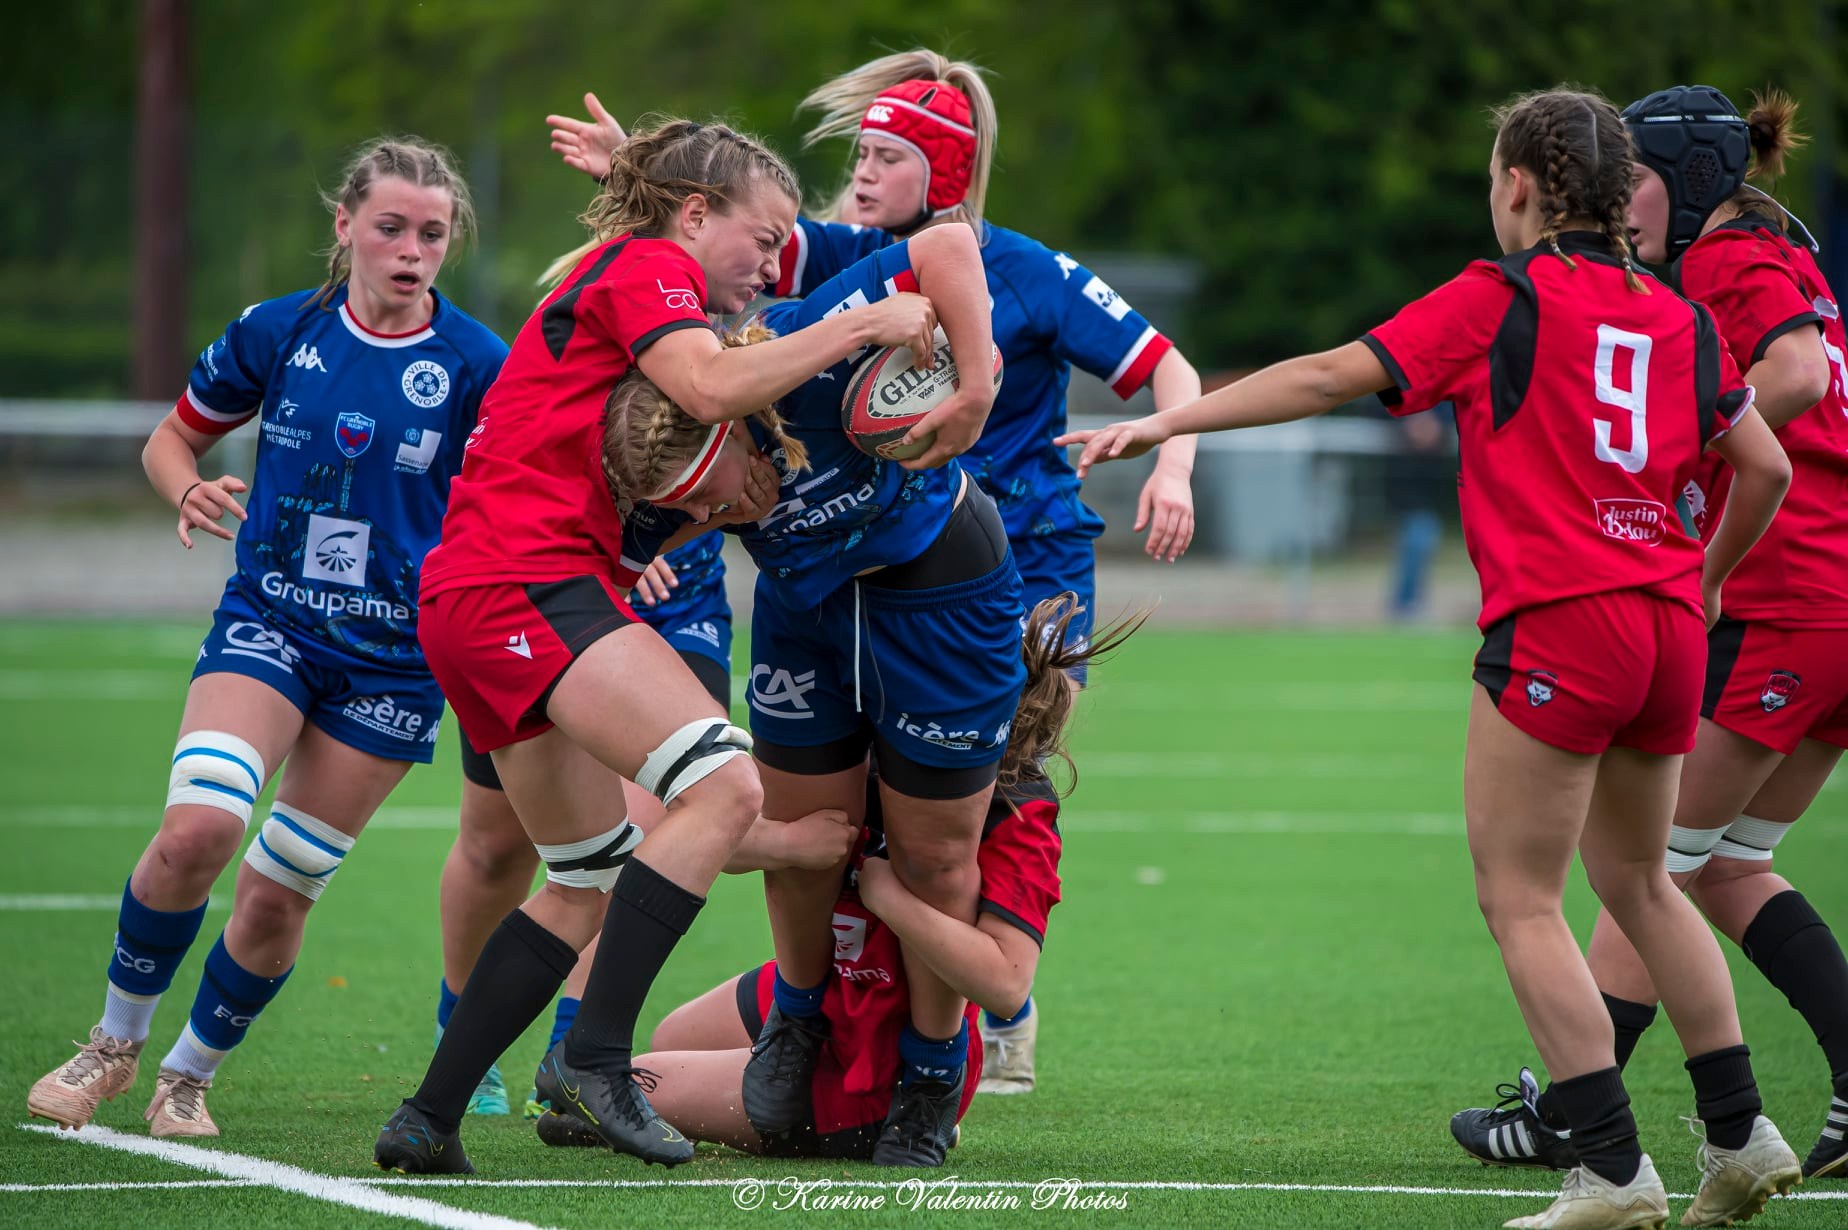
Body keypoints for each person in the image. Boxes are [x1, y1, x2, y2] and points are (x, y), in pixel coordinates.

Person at [1060, 87, 1801, 1230]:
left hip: (1565, 622)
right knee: (1647, 885)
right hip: (1663, 629)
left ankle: (1610, 1169)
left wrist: (1168, 422)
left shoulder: (1499, 297)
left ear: (1518, 186)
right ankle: (1743, 1135)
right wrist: (1702, 576)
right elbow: (1768, 467)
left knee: (1520, 900)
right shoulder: (1678, 313)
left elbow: (1324, 376)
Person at [546, 47, 1204, 1097]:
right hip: (862, 559)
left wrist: (1173, 455)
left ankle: (997, 1006)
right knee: (857, 811)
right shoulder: (847, 257)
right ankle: (848, 1016)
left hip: (1019, 560)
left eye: (887, 153)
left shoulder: (1022, 267)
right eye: (859, 148)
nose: (860, 169)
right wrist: (639, 170)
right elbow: (734, 232)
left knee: (983, 799)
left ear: (943, 171)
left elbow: (1165, 362)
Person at [372, 115, 978, 1175]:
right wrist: (861, 324)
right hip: (522, 580)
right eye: (764, 232)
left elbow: (658, 429)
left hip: (480, 591)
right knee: (728, 789)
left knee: (582, 877)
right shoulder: (648, 262)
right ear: (697, 215)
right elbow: (706, 389)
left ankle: (428, 1118)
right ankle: (596, 1058)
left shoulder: (639, 276)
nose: (773, 259)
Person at [26, 139, 505, 1140]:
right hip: (271, 624)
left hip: (394, 667)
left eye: (432, 232)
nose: (411, 250)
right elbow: (173, 437)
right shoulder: (281, 331)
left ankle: (188, 1076)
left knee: (279, 894)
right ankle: (112, 1046)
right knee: (199, 831)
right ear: (345, 227)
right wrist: (185, 486)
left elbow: (522, 495)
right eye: (391, 228)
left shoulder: (474, 365)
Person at [1450, 86, 1848, 1186]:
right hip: (1821, 597)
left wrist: (1689, 448)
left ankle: (1584, 1121)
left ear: (1693, 181)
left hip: (1788, 597)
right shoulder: (1776, 258)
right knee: (1723, 866)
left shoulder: (1722, 266)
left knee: (1650, 869)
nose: (1621, 204)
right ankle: (1758, 1105)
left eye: (1636, 182)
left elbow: (1800, 381)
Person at [532, 594, 1134, 1160]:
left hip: (876, 1047)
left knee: (614, 1094)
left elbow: (1006, 985)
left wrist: (888, 894)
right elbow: (726, 850)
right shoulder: (856, 757)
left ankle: (868, 1110)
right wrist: (788, 843)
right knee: (672, 1035)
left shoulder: (1016, 810)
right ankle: (772, 1062)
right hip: (831, 989)